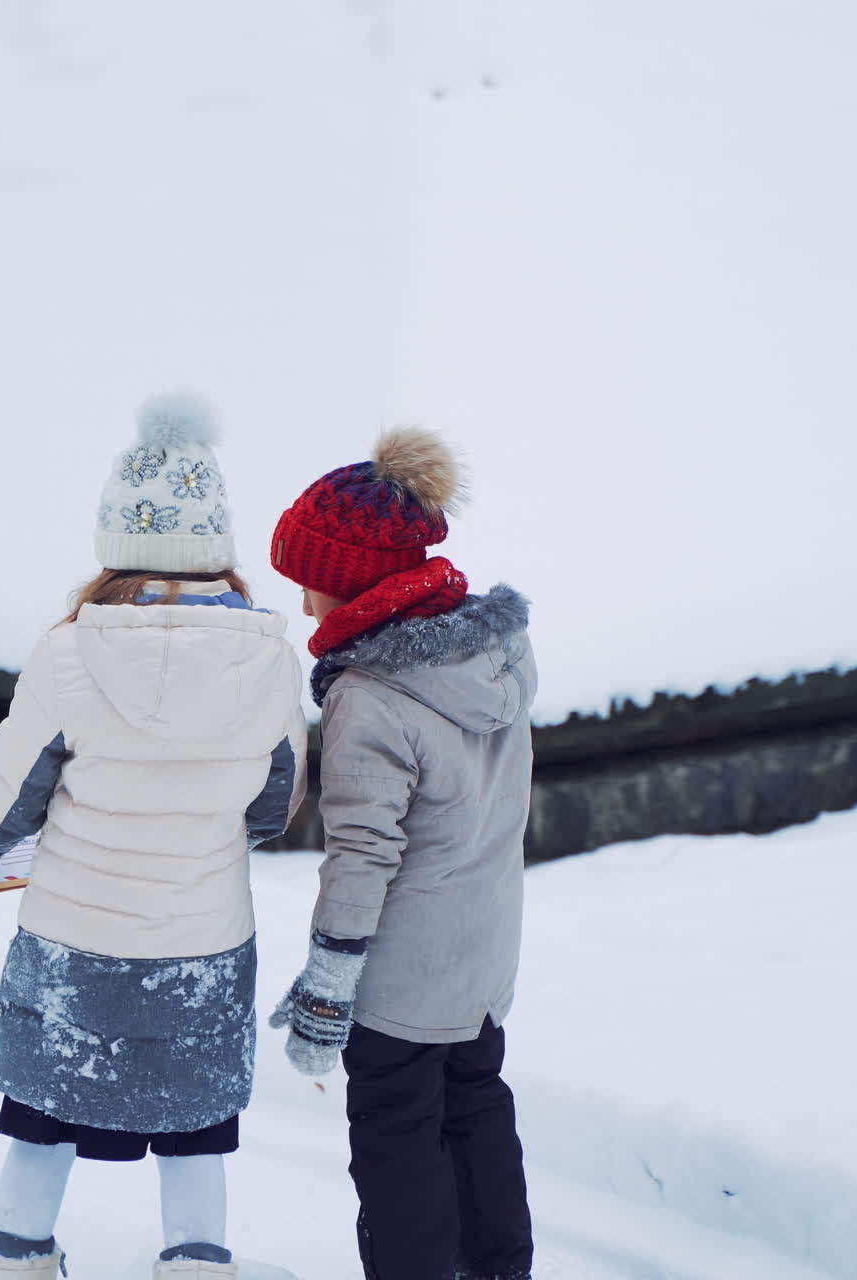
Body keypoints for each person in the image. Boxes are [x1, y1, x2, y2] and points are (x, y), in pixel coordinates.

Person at [0, 393, 307, 1280]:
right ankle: (197, 1263)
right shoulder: (271, 660)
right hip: (203, 947)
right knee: (195, 1126)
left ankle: (17, 1255)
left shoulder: (67, 652)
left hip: (73, 944)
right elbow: (275, 801)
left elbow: (6, 801)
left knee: (43, 1110)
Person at [267, 428, 537, 1280]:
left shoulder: (370, 698)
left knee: (396, 1143)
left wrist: (327, 986)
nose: (305, 605)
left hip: (404, 978)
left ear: (350, 581)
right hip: (485, 954)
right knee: (477, 1109)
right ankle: (500, 1268)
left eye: (311, 580)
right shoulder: (491, 651)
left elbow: (361, 855)